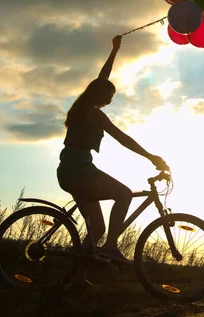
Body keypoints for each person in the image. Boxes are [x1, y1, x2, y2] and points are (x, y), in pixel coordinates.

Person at [57, 35, 168, 287]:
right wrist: (151, 157)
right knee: (124, 194)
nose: (111, 98)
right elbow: (123, 138)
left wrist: (114, 51)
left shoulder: (83, 107)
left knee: (97, 228)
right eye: (109, 95)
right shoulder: (93, 115)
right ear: (100, 94)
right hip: (79, 170)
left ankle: (77, 277)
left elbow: (101, 78)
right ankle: (110, 248)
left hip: (71, 169)